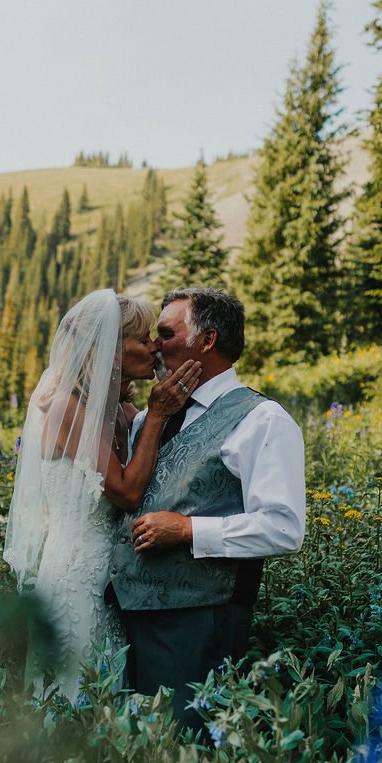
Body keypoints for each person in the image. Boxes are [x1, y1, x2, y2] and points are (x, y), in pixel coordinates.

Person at [107, 286, 306, 729]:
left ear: (207, 341)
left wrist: (188, 530)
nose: (155, 345)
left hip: (199, 622)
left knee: (188, 758)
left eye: (166, 333)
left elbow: (284, 527)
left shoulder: (263, 420)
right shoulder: (147, 418)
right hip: (127, 620)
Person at [4, 288, 199, 701]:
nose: (154, 347)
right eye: (143, 339)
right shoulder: (65, 409)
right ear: (111, 350)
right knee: (76, 698)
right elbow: (128, 491)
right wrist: (160, 413)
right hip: (74, 577)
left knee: (110, 696)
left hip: (117, 582)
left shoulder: (126, 413)